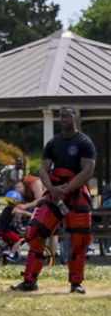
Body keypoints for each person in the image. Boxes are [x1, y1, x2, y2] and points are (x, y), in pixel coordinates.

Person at [11, 106, 95, 293]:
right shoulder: (53, 143)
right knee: (34, 232)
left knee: (80, 239)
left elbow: (87, 171)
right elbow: (43, 170)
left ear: (75, 117)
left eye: (68, 115)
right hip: (53, 191)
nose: (64, 119)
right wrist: (52, 189)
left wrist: (65, 189)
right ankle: (29, 281)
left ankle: (76, 283)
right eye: (61, 116)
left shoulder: (84, 142)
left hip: (76, 192)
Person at [0, 185, 27, 261]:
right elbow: (23, 212)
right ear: (15, 201)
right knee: (18, 240)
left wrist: (15, 220)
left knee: (8, 243)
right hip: (5, 231)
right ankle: (11, 256)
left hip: (0, 229)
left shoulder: (7, 208)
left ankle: (4, 252)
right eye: (18, 201)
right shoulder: (14, 209)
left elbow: (7, 218)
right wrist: (33, 215)